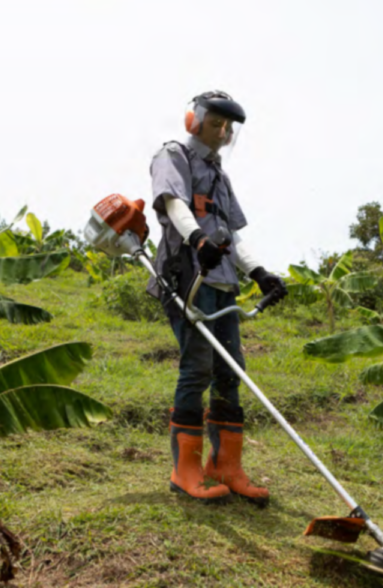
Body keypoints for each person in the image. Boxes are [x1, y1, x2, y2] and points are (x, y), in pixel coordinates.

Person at [148, 90, 287, 506]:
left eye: (229, 127)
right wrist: (197, 239)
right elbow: (174, 203)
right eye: (216, 123)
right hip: (188, 276)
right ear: (195, 120)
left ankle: (225, 466)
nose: (223, 132)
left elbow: (232, 232)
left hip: (222, 281)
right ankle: (184, 471)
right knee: (198, 368)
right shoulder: (173, 155)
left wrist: (259, 272)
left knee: (232, 370)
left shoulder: (221, 175)